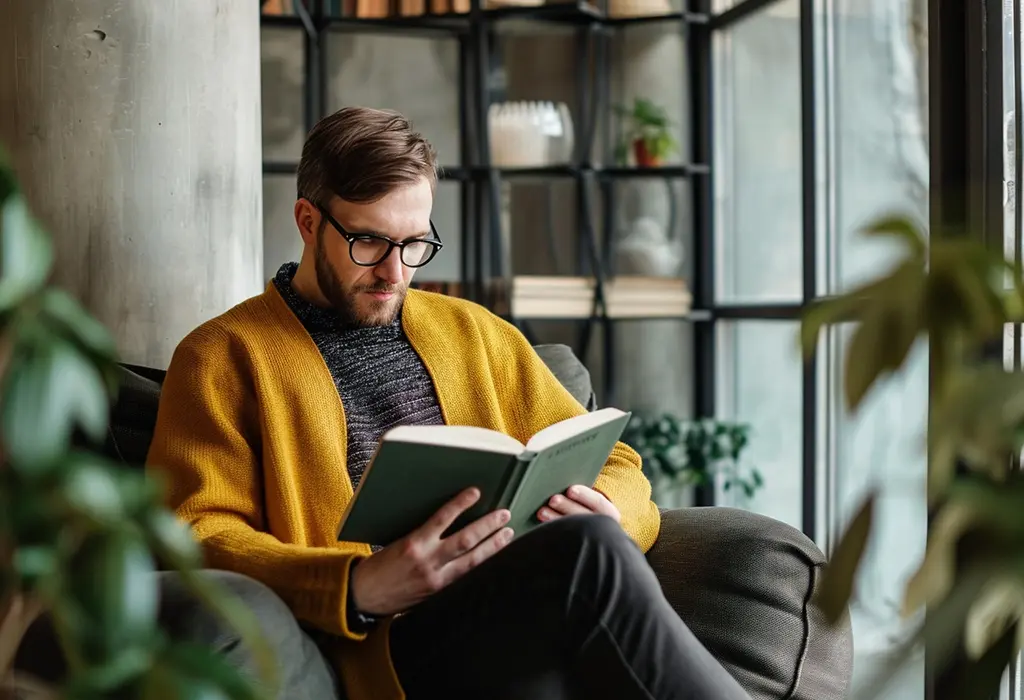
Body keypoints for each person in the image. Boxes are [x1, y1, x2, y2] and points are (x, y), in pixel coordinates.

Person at [145, 106, 749, 700]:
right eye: (369, 242)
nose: (393, 271)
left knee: (594, 540)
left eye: (415, 244)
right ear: (308, 221)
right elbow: (195, 531)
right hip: (385, 646)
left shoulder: (475, 333)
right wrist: (355, 586)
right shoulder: (222, 356)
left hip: (507, 609)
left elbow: (618, 462)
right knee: (588, 557)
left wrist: (608, 508)